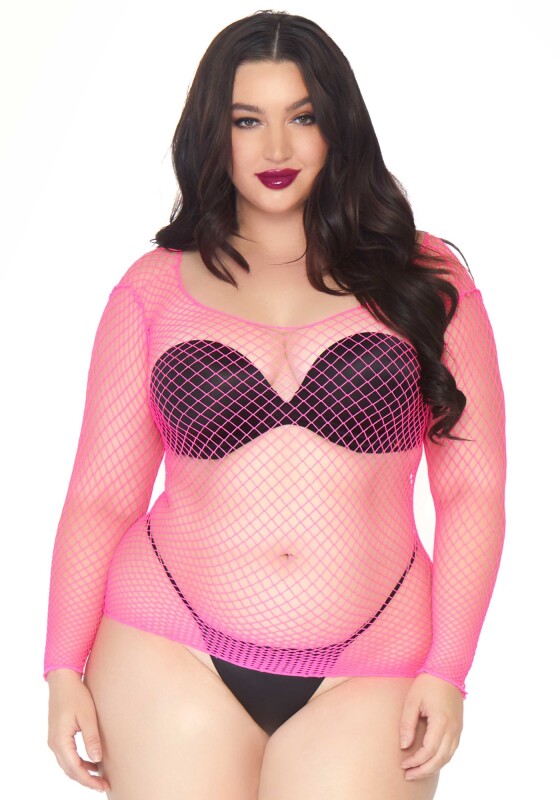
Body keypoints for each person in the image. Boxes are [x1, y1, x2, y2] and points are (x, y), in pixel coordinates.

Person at [44, 9, 506, 799]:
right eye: (247, 121)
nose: (277, 149)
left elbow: (472, 491)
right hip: (167, 648)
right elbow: (102, 496)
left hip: (374, 664)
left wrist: (449, 668)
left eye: (303, 117)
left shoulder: (426, 281)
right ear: (212, 134)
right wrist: (61, 665)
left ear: (339, 127)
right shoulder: (154, 288)